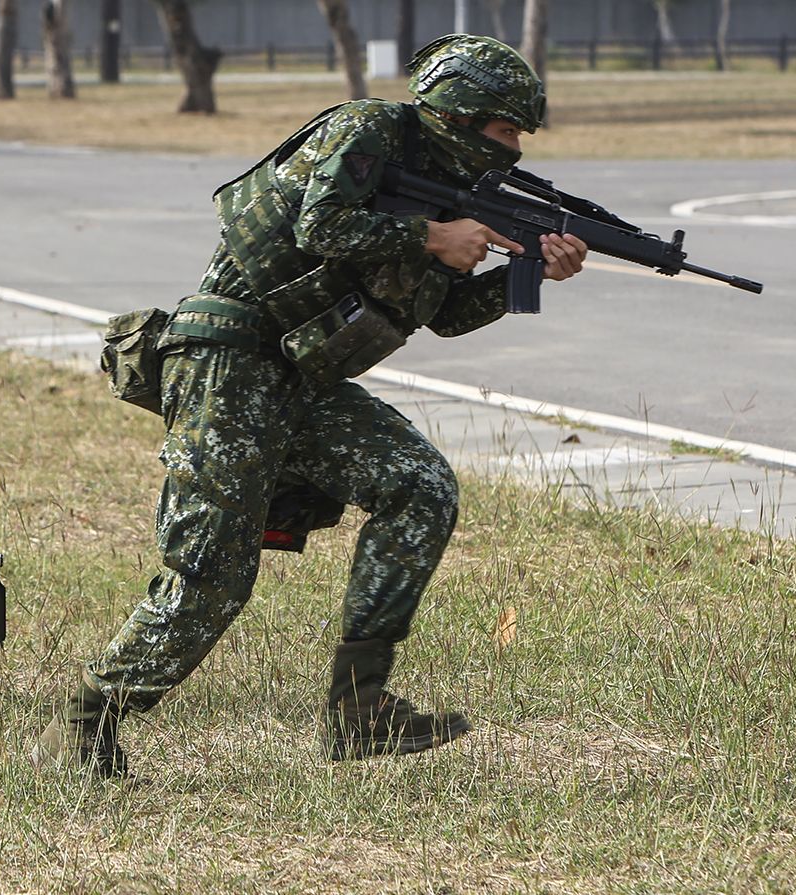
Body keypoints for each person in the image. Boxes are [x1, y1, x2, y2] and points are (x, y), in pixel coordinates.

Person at [32, 35, 591, 776]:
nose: (514, 149)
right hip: (228, 361)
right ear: (459, 115)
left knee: (419, 486)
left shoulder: (441, 187)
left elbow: (447, 314)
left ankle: (359, 710)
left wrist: (529, 273)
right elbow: (318, 224)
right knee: (212, 572)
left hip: (298, 378)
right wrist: (433, 235)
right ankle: (83, 722)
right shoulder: (367, 132)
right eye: (504, 130)